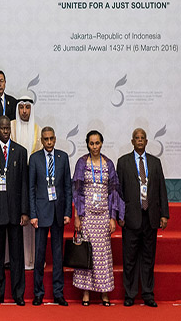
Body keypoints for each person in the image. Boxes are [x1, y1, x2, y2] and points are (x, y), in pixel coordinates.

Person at [117, 128, 169, 307]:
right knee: (129, 258)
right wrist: (120, 214)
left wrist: (164, 214)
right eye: (136, 138)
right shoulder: (123, 162)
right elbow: (119, 192)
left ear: (146, 142)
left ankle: (148, 294)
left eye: (142, 138)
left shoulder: (155, 162)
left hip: (151, 217)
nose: (139, 141)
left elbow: (162, 189)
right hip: (131, 218)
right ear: (132, 141)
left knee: (148, 257)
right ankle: (130, 294)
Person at [72, 130, 124, 306]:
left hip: (103, 217)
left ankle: (104, 293)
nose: (94, 146)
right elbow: (77, 190)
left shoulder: (108, 164)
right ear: (87, 144)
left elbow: (114, 191)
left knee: (102, 255)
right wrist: (77, 216)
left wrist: (112, 217)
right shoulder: (81, 163)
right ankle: (86, 292)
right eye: (91, 143)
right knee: (87, 253)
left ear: (102, 144)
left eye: (97, 143)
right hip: (86, 216)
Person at [0, 117, 29, 306]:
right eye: (2, 128)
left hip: (16, 212)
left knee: (17, 255)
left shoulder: (20, 151)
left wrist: (25, 211)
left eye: (7, 128)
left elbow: (25, 184)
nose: (5, 131)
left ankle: (18, 294)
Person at [28, 127, 71, 306]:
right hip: (40, 213)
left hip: (58, 213)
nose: (49, 142)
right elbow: (30, 188)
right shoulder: (35, 158)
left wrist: (68, 212)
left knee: (57, 255)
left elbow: (68, 187)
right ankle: (38, 292)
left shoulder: (63, 157)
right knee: (39, 256)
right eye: (45, 139)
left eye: (51, 138)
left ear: (55, 139)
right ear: (41, 140)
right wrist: (33, 214)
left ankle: (58, 292)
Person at [11, 95, 41, 269]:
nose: (24, 111)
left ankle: (30, 260)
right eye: (21, 107)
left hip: (32, 184)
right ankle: (13, 260)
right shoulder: (11, 127)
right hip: (13, 183)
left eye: (27, 107)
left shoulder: (37, 129)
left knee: (30, 223)